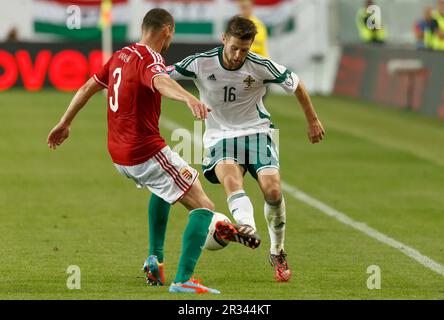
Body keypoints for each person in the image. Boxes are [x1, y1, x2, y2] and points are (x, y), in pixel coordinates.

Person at [46, 8, 256, 294]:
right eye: (173, 33)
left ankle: (154, 259)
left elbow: (86, 87)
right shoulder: (151, 58)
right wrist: (188, 98)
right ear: (167, 30)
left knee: (164, 188)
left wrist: (64, 122)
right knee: (204, 207)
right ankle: (183, 280)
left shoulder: (120, 55)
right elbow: (160, 81)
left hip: (118, 154)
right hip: (143, 151)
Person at [168, 16, 325, 282]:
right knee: (231, 177)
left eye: (245, 49)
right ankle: (247, 227)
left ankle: (277, 251)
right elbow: (161, 76)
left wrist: (312, 119)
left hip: (257, 131)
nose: (239, 55)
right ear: (224, 40)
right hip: (219, 136)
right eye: (235, 48)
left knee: (273, 190)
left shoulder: (260, 65)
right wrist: (186, 97)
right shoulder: (200, 62)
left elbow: (296, 84)